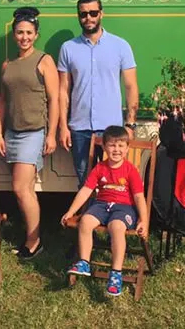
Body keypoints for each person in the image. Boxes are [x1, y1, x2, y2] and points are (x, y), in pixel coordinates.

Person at [0, 7, 59, 260]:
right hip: (12, 132)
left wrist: (51, 134)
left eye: (29, 33)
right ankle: (31, 237)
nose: (24, 37)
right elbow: (1, 101)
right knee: (27, 189)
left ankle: (34, 241)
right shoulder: (7, 65)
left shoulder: (44, 61)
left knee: (20, 188)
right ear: (14, 35)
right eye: (20, 32)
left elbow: (54, 100)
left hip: (34, 132)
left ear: (36, 34)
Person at [57, 0, 139, 187]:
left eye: (93, 13)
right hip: (80, 128)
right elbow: (63, 90)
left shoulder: (120, 46)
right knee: (85, 182)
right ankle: (88, 216)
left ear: (101, 14)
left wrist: (131, 124)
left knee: (113, 182)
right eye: (83, 14)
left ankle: (112, 217)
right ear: (78, 16)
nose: (88, 18)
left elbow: (131, 86)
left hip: (111, 128)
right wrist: (63, 126)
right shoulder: (68, 48)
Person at [60, 125, 148, 297]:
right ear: (105, 147)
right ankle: (84, 261)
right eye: (112, 145)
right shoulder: (100, 168)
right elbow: (86, 191)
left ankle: (116, 274)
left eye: (121, 145)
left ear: (127, 148)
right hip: (101, 205)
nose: (116, 150)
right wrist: (71, 212)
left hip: (124, 208)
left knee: (116, 227)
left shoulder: (131, 170)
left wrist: (143, 220)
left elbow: (138, 197)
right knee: (85, 221)